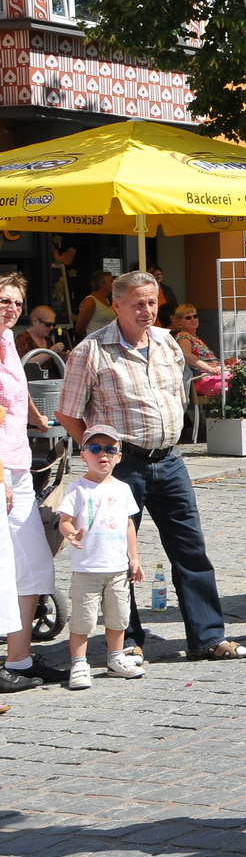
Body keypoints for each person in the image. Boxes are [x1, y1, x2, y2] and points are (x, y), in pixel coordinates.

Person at [57, 270, 246, 661]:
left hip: (171, 460)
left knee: (190, 549)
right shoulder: (90, 351)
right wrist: (99, 456)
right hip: (122, 464)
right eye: (138, 303)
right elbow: (68, 413)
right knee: (115, 554)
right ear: (116, 306)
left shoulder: (167, 343)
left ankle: (207, 637)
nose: (147, 310)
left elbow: (176, 394)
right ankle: (126, 641)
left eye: (152, 301)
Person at [0, 275, 64, 688]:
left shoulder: (8, 342)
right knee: (3, 568)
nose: (11, 307)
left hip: (19, 465)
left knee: (33, 563)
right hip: (1, 471)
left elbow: (17, 402)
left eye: (17, 301)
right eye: (3, 299)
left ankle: (19, 661)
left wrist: (51, 428)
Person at [56, 424, 145, 690]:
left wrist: (134, 558)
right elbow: (64, 521)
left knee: (118, 617)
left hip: (117, 568)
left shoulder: (123, 488)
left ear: (119, 456)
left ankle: (116, 658)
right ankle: (79, 663)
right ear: (83, 455)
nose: (102, 454)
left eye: (110, 449)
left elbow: (129, 524)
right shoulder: (78, 488)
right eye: (95, 449)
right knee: (83, 620)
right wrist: (71, 534)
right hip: (86, 569)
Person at [170, 305, 223, 380]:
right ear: (179, 321)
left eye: (195, 316)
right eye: (188, 317)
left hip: (215, 373)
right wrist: (210, 369)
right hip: (205, 377)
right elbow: (186, 355)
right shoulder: (183, 336)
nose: (193, 319)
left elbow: (207, 359)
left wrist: (226, 361)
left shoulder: (195, 338)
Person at [74, 271, 115, 341]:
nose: (114, 284)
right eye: (111, 282)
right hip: (95, 342)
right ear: (101, 285)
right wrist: (91, 338)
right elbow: (79, 328)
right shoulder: (90, 301)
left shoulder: (106, 300)